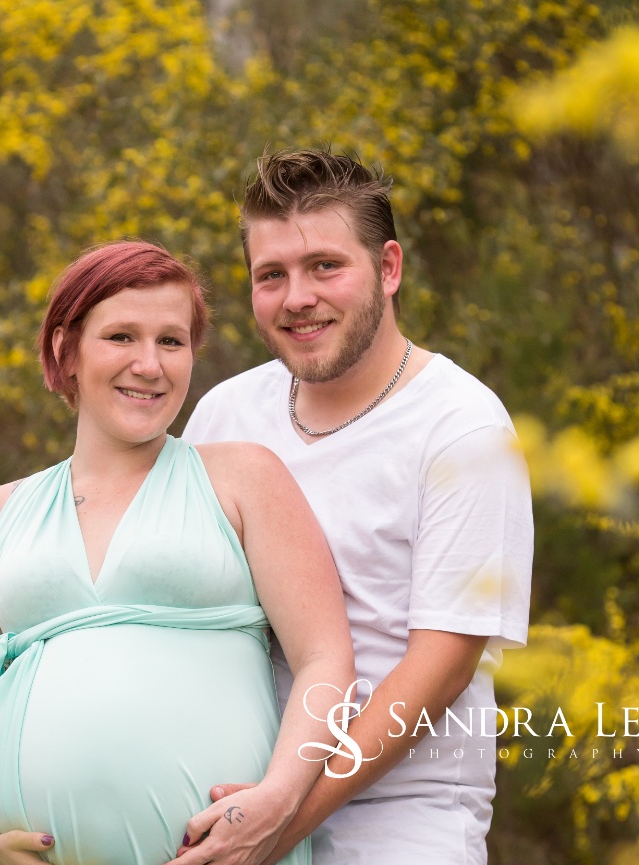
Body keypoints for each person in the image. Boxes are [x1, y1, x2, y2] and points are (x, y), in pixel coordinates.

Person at [0, 240, 355, 865]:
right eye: (121, 337)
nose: (149, 365)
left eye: (171, 342)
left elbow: (325, 660)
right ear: (63, 350)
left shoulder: (242, 479)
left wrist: (280, 800)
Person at [181, 149, 534, 865]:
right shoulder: (224, 413)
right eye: (270, 275)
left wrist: (284, 816)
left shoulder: (463, 427)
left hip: (398, 815)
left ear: (389, 268)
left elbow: (441, 665)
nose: (296, 297)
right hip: (229, 804)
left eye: (324, 266)